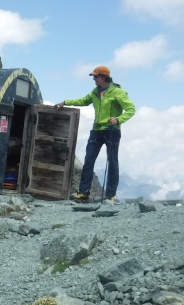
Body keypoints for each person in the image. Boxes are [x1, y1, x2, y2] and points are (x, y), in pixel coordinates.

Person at [54, 65, 135, 204]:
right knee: (89, 161)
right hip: (96, 131)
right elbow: (84, 101)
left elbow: (131, 109)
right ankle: (83, 193)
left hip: (112, 130)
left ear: (104, 77)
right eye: (93, 76)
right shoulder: (95, 92)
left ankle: (110, 195)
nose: (94, 79)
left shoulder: (118, 92)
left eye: (96, 76)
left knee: (112, 162)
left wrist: (118, 119)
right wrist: (65, 102)